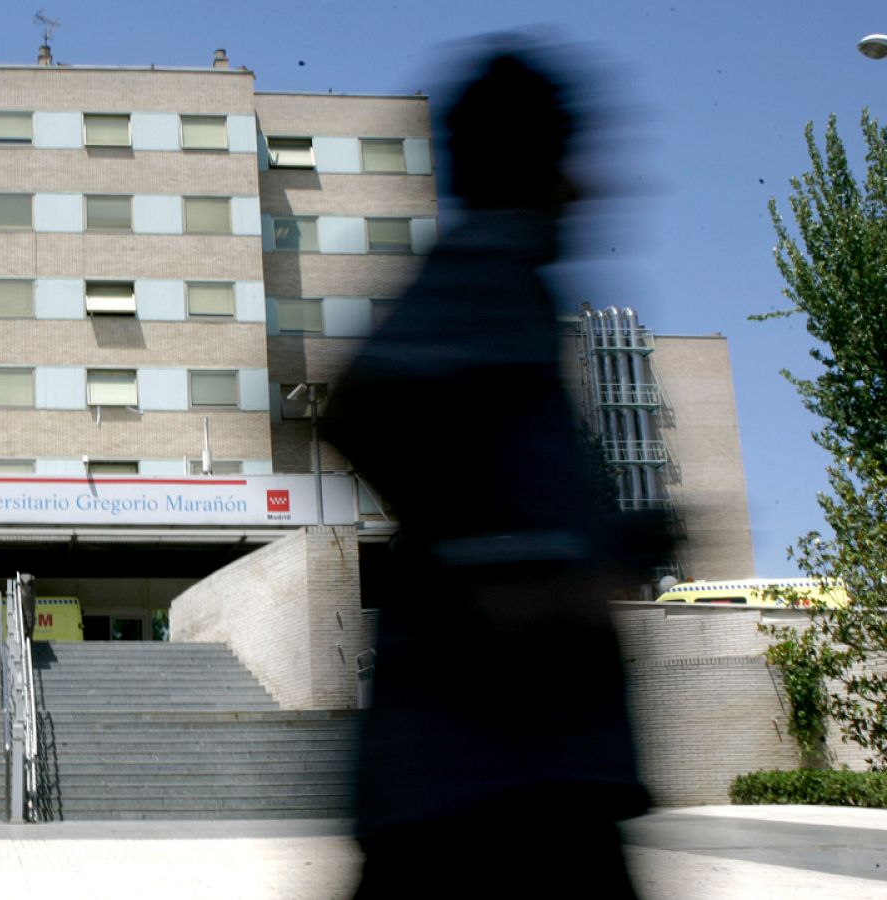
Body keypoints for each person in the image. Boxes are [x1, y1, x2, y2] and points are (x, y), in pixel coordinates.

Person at [324, 46, 668, 898]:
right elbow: (363, 408)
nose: (584, 188)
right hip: (490, 793)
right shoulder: (488, 263)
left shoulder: (513, 284)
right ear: (536, 162)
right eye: (568, 158)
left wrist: (601, 548)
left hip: (517, 783)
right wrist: (504, 579)